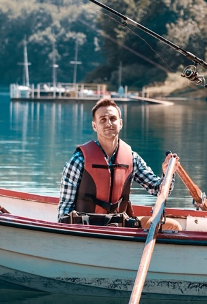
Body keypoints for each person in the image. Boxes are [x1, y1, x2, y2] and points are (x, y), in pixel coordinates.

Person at [58, 98, 180, 230]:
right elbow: (64, 210)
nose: (108, 123)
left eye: (113, 118)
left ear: (120, 123)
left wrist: (167, 173)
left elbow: (158, 190)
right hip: (86, 227)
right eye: (103, 120)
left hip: (119, 226)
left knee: (173, 226)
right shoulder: (79, 160)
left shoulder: (132, 158)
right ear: (95, 126)